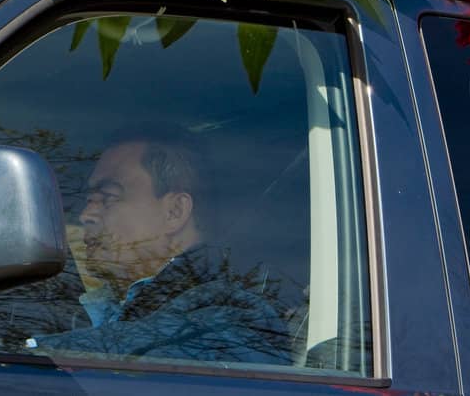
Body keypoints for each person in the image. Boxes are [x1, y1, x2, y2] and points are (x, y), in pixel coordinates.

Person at [28, 134, 292, 365]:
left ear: (174, 211)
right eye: (88, 200)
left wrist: (24, 352)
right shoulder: (83, 313)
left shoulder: (233, 313)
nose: (86, 215)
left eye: (108, 197)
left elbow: (158, 343)